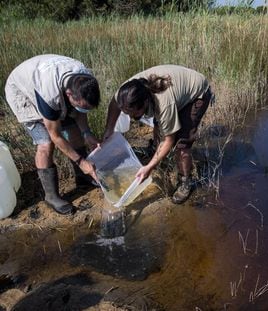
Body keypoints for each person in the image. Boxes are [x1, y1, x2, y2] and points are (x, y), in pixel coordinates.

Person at [103, 64, 214, 204]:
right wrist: (109, 130)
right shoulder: (126, 92)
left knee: (182, 143)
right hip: (175, 92)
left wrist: (150, 167)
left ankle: (185, 181)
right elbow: (114, 104)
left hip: (197, 93)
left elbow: (168, 140)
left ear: (145, 102)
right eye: (127, 113)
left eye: (133, 113)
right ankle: (155, 152)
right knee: (159, 123)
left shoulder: (163, 104)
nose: (131, 117)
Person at [5, 54, 100, 215]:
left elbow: (80, 111)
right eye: (79, 105)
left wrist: (87, 133)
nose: (82, 109)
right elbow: (56, 135)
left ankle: (83, 177)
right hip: (22, 90)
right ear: (69, 94)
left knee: (74, 131)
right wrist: (81, 161)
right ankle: (51, 196)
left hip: (47, 79)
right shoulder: (49, 95)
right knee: (46, 143)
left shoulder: (85, 80)